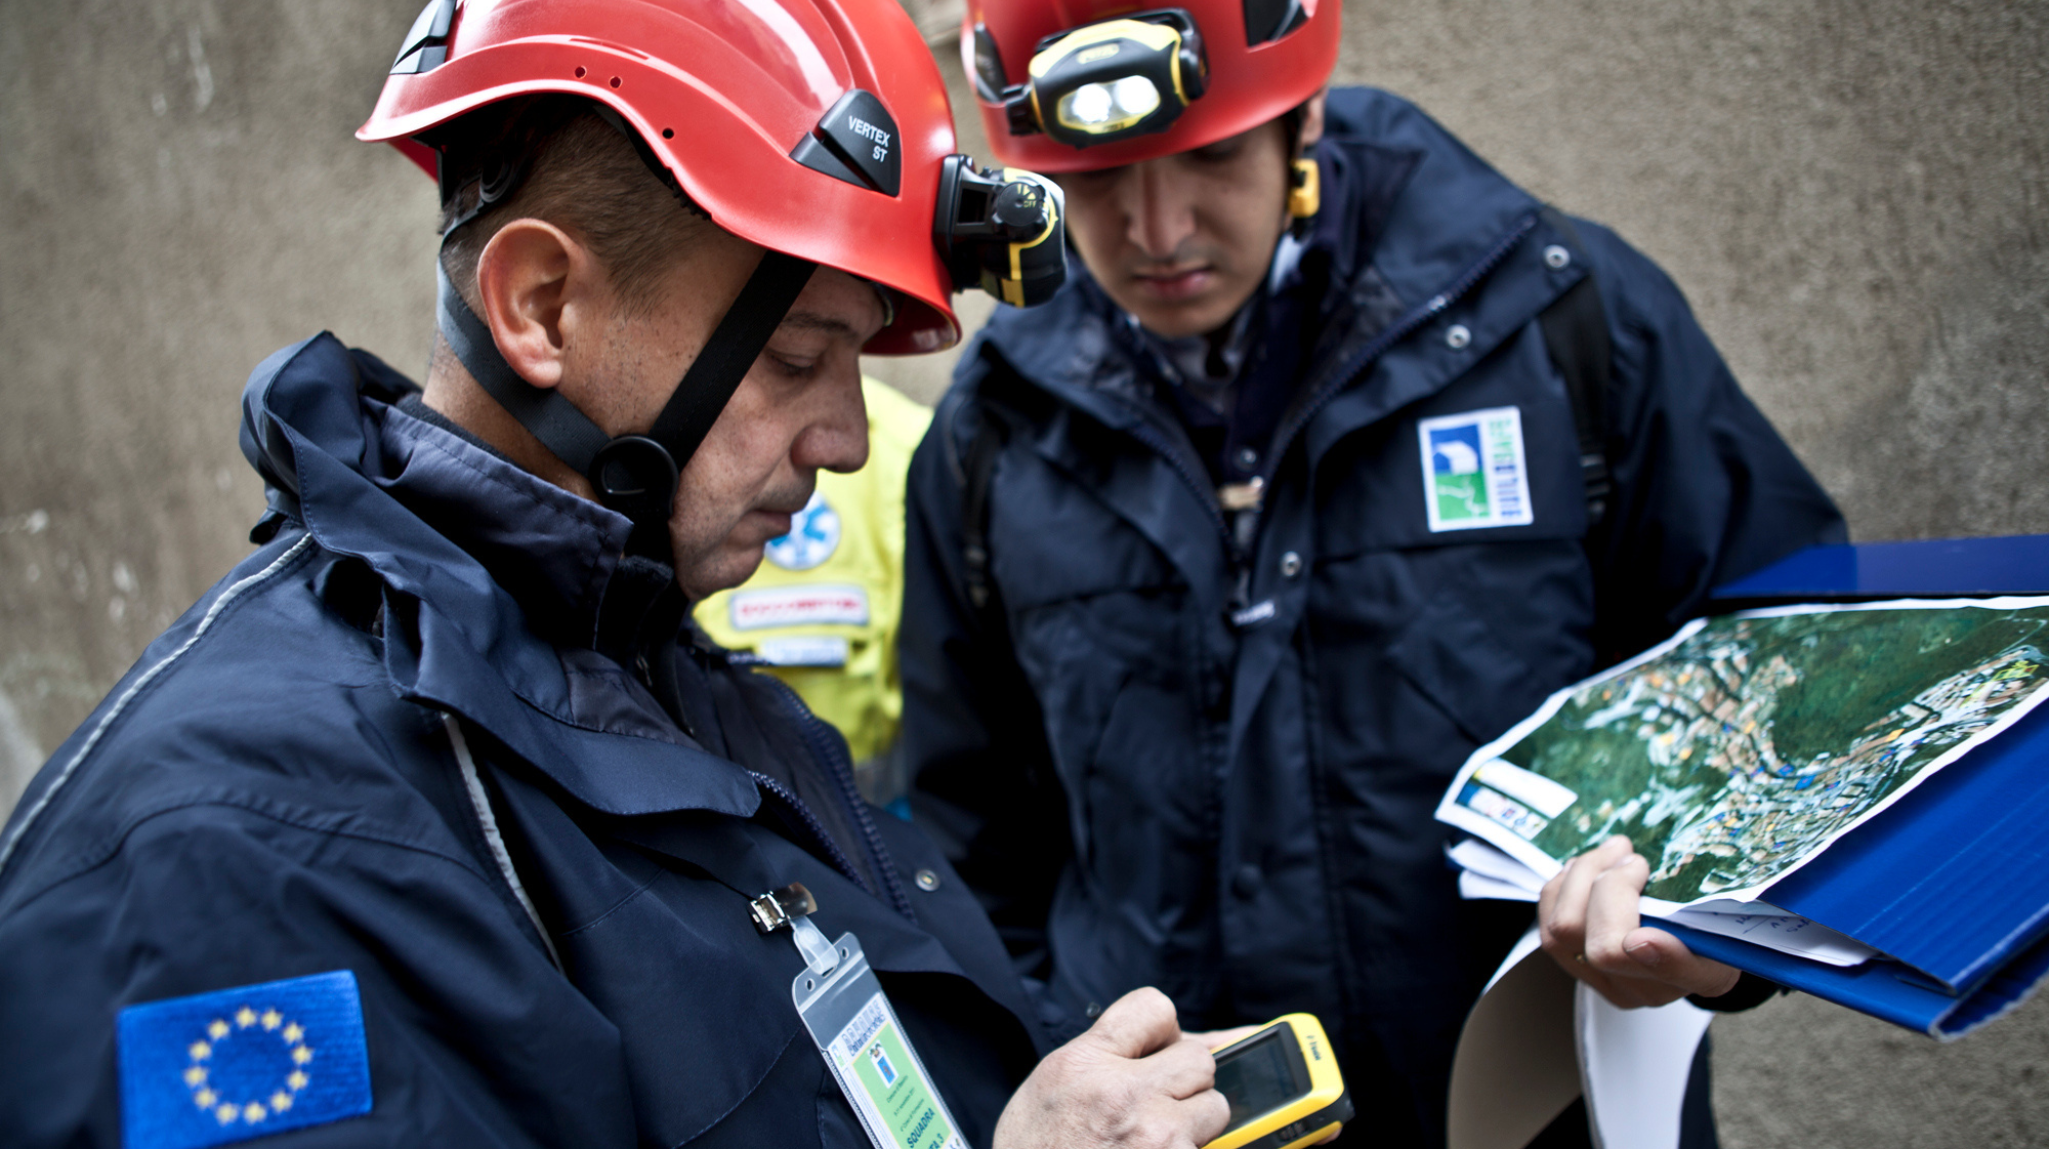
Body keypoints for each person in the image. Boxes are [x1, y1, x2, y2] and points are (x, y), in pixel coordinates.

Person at [0, 2, 1234, 1146]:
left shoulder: (636, 661)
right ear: (544, 306)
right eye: (798, 355)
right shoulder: (234, 860)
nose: (849, 438)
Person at [900, 1, 1846, 1145]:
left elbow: (1795, 670)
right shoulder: (992, 431)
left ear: (1300, 118)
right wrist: (1054, 1055)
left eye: (1210, 158)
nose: (1157, 227)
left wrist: (1714, 935)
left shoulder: (1562, 320)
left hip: (1542, 1106)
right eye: (1096, 181)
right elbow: (969, 830)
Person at [696, 377, 933, 812]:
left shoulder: (908, 448)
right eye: (794, 360)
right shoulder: (653, 431)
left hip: (879, 824)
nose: (849, 448)